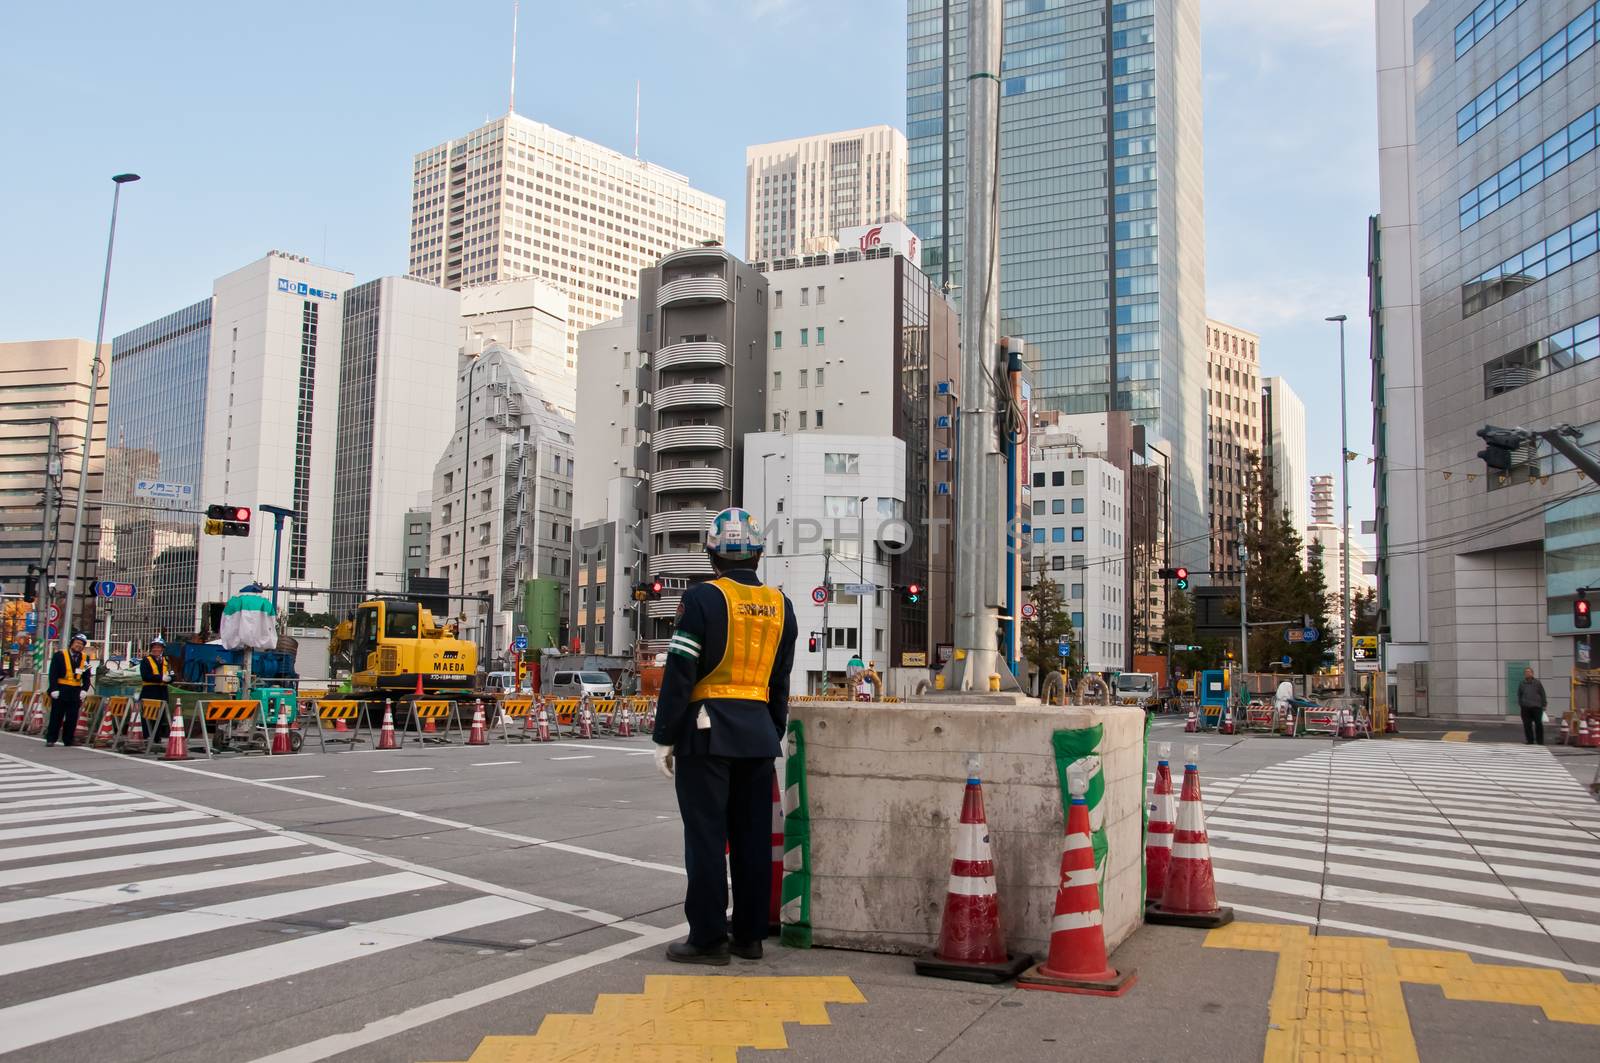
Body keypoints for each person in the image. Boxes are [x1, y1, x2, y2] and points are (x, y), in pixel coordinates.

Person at [652, 507, 797, 965]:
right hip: (757, 735)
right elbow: (781, 679)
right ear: (757, 554)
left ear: (712, 554)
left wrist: (665, 735)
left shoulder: (701, 600)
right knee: (753, 839)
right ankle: (750, 937)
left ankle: (708, 938)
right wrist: (770, 728)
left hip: (706, 733)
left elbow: (680, 670)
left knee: (707, 838)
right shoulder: (781, 605)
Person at [45, 632, 93, 747]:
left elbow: (87, 677)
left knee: (72, 717)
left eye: (81, 644)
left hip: (75, 691)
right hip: (61, 690)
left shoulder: (85, 658)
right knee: (56, 715)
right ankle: (51, 739)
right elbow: (53, 674)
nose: (79, 645)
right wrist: (53, 689)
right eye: (77, 643)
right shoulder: (59, 655)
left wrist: (84, 690)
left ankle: (68, 739)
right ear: (72, 643)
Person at [1517, 667, 1547, 745]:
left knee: (1538, 724)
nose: (1527, 673)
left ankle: (1540, 741)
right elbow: (1519, 694)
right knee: (1527, 724)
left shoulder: (1537, 683)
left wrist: (1544, 704)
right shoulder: (1522, 683)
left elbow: (1542, 693)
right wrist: (1521, 703)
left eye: (1529, 672)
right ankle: (1530, 740)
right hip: (1525, 707)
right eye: (1526, 672)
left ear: (1532, 673)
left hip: (1536, 707)